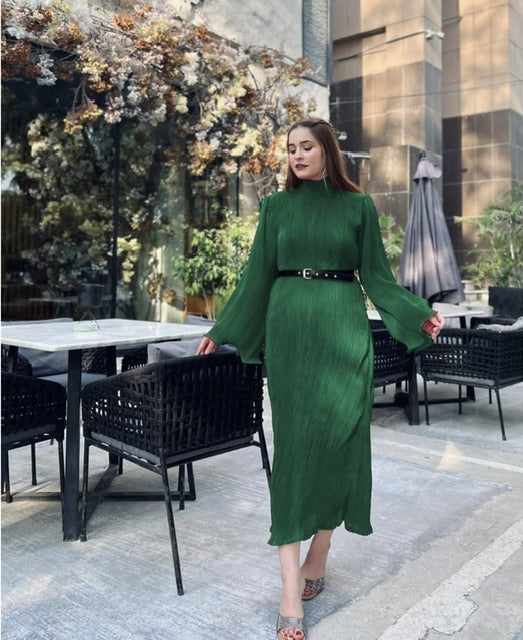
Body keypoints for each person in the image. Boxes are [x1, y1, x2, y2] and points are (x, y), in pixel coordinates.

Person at [196, 118, 444, 640]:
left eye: (306, 146)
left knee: (343, 443)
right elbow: (256, 278)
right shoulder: (275, 208)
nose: (297, 155)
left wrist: (417, 314)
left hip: (344, 330)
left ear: (328, 150)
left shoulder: (358, 207)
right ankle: (290, 588)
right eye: (291, 149)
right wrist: (222, 330)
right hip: (291, 332)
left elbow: (377, 278)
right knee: (293, 453)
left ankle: (322, 548)